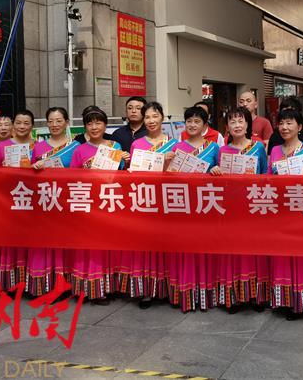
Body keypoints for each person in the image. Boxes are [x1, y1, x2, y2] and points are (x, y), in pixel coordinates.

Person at [268, 109, 303, 319]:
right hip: (281, 212)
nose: (284, 127)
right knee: (282, 255)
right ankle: (284, 300)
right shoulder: (275, 150)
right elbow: (267, 178)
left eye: (289, 123)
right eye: (281, 123)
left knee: (302, 256)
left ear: (299, 127)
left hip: (302, 211)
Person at [211, 106, 269, 313]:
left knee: (253, 251)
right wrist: (214, 171)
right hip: (230, 209)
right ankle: (233, 296)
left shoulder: (258, 147)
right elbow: (217, 181)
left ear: (247, 124)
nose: (237, 125)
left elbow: (266, 175)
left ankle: (256, 296)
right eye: (232, 121)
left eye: (240, 121)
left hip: (252, 207)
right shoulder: (222, 151)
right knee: (232, 251)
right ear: (227, 127)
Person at [70, 106, 129, 305]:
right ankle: (94, 289)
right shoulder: (79, 150)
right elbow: (71, 179)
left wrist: (126, 161)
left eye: (98, 123)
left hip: (110, 202)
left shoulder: (115, 146)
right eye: (90, 123)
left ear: (105, 125)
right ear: (85, 127)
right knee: (92, 248)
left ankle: (111, 286)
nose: (94, 127)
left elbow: (122, 176)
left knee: (110, 245)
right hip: (89, 204)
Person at [123, 101, 177, 309]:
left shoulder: (174, 144)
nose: (151, 121)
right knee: (145, 246)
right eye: (147, 117)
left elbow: (179, 175)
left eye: (155, 116)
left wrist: (169, 164)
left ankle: (167, 288)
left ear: (162, 117)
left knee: (167, 244)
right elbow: (134, 173)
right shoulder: (137, 144)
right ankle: (146, 291)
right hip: (144, 201)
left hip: (166, 201)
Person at [166, 106, 220, 312]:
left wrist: (217, 171)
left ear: (205, 125)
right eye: (189, 121)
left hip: (205, 206)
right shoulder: (177, 147)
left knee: (205, 248)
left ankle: (206, 293)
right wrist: (167, 166)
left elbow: (224, 176)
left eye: (197, 121)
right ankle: (186, 293)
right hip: (183, 206)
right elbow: (167, 178)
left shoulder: (214, 148)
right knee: (185, 250)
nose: (192, 125)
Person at [29, 107, 78, 295]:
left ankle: (67, 282)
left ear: (67, 122)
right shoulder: (39, 147)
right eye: (51, 121)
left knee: (66, 242)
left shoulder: (75, 146)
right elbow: (29, 175)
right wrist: (35, 167)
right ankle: (48, 283)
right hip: (45, 201)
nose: (54, 125)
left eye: (59, 121)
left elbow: (81, 173)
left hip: (67, 201)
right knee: (46, 243)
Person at [0, 109, 36, 291]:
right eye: (18, 123)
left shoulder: (38, 146)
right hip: (8, 201)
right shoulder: (2, 147)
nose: (22, 126)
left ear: (32, 126)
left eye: (26, 123)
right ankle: (8, 284)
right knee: (8, 242)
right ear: (13, 125)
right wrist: (2, 170)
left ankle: (30, 284)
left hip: (32, 202)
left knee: (29, 242)